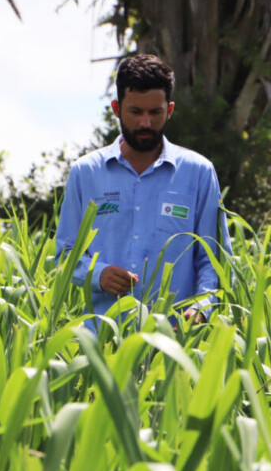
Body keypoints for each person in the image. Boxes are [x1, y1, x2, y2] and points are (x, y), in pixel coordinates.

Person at [56, 54, 228, 330]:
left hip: (175, 344)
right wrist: (98, 274)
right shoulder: (85, 173)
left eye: (155, 112)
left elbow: (214, 260)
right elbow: (66, 254)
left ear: (169, 110)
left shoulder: (199, 173)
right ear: (116, 108)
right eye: (136, 112)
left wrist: (202, 308)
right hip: (103, 342)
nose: (146, 123)